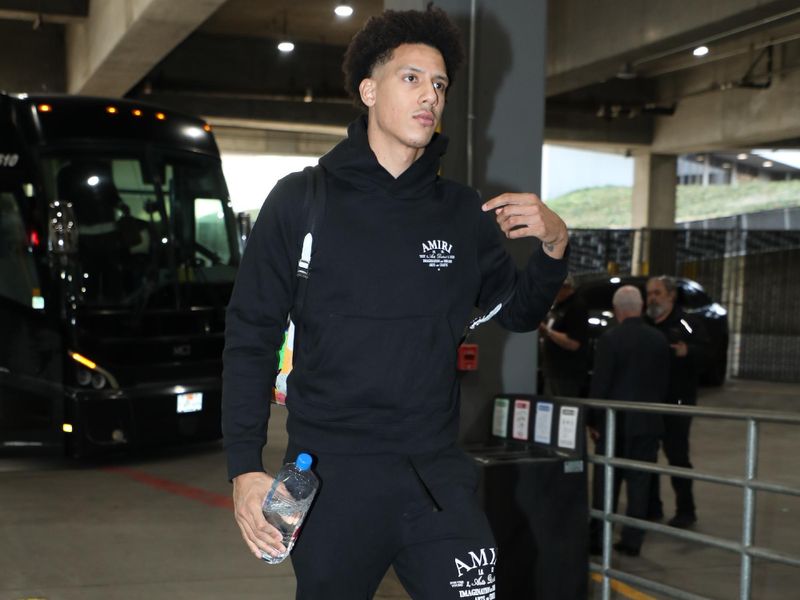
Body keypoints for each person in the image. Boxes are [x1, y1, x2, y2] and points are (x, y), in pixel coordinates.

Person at [222, 7, 569, 600]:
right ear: (368, 89)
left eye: (438, 84)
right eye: (411, 78)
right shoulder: (301, 201)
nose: (429, 95)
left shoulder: (463, 213)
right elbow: (251, 334)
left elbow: (516, 313)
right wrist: (244, 466)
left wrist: (555, 244)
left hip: (434, 476)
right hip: (327, 477)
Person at [588, 285, 670, 557]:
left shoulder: (610, 340)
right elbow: (663, 383)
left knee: (606, 483)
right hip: (648, 423)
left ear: (617, 310)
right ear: (640, 307)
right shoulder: (659, 339)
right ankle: (632, 540)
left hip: (615, 424)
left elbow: (601, 384)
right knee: (640, 485)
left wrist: (594, 420)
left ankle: (599, 539)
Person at [645, 275, 710, 529]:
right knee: (646, 456)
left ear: (671, 295)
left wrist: (688, 352)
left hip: (677, 402)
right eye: (649, 293)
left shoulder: (687, 323)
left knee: (677, 457)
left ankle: (686, 510)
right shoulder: (645, 323)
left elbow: (707, 352)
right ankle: (651, 507)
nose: (652, 297)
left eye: (657, 293)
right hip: (650, 401)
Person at [539, 274, 589, 397]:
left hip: (566, 375)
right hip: (552, 372)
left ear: (566, 287)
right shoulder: (557, 306)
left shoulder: (577, 307)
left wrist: (548, 332)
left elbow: (574, 343)